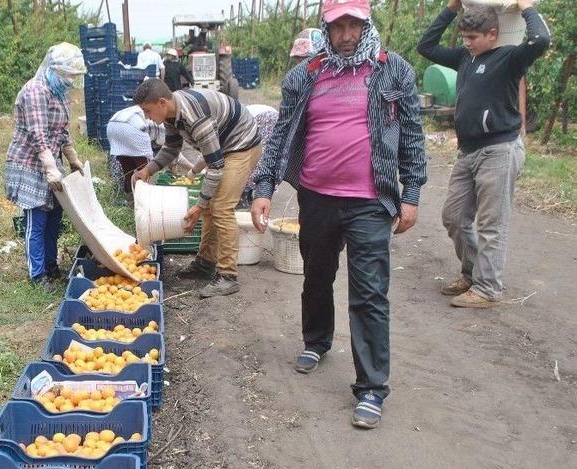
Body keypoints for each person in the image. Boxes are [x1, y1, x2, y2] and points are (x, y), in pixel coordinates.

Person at [250, 0, 426, 429]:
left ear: (366, 25)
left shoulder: (393, 70)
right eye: (337, 26)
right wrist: (263, 187)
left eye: (353, 25)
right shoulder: (306, 76)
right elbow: (278, 138)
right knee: (317, 274)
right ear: (325, 30)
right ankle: (316, 340)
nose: (346, 34)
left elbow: (412, 136)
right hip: (317, 195)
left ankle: (371, 388)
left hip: (370, 199)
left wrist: (412, 192)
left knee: (369, 292)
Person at [417, 0, 550, 308]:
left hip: (499, 150)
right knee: (453, 217)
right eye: (464, 37)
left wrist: (527, 7)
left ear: (493, 34)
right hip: (468, 152)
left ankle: (488, 288)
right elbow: (426, 45)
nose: (467, 43)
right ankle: (473, 273)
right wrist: (451, 9)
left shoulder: (511, 58)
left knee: (491, 224)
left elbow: (541, 39)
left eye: (473, 38)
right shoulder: (465, 58)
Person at [132, 79, 261, 298]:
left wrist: (199, 205)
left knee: (220, 207)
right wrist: (148, 170)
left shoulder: (195, 117)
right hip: (224, 146)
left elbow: (216, 166)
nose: (146, 116)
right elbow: (172, 148)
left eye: (147, 110)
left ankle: (228, 276)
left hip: (241, 145)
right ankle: (205, 264)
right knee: (210, 206)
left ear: (162, 102)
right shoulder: (172, 115)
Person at [4, 43, 86, 292]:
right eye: (68, 76)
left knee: (54, 219)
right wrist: (50, 167)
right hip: (30, 164)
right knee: (37, 220)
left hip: (52, 163)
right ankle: (37, 274)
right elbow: (37, 134)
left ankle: (51, 266)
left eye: (74, 77)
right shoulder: (36, 91)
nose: (71, 82)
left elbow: (62, 130)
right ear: (54, 69)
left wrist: (72, 158)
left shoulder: (58, 93)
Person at [106, 105, 165, 203]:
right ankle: (145, 200)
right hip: (132, 127)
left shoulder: (151, 113)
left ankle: (130, 197)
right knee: (145, 168)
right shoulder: (163, 127)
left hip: (112, 125)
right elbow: (167, 151)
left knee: (127, 166)